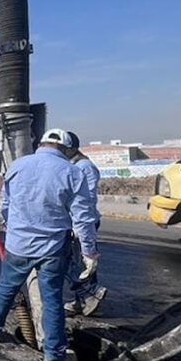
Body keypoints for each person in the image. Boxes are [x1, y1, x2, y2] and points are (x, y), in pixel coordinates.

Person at [0, 128, 98, 361]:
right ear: (65, 149)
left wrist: (12, 227)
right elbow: (83, 218)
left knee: (6, 286)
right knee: (51, 298)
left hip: (18, 244)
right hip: (52, 249)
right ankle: (54, 356)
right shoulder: (73, 172)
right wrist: (89, 252)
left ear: (41, 144)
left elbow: (5, 205)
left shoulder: (17, 166)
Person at [64, 131, 105, 316]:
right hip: (75, 222)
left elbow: (85, 201)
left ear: (72, 149)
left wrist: (79, 228)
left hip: (82, 223)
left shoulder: (84, 166)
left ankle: (90, 297)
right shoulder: (72, 165)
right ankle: (81, 299)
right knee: (75, 262)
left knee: (83, 263)